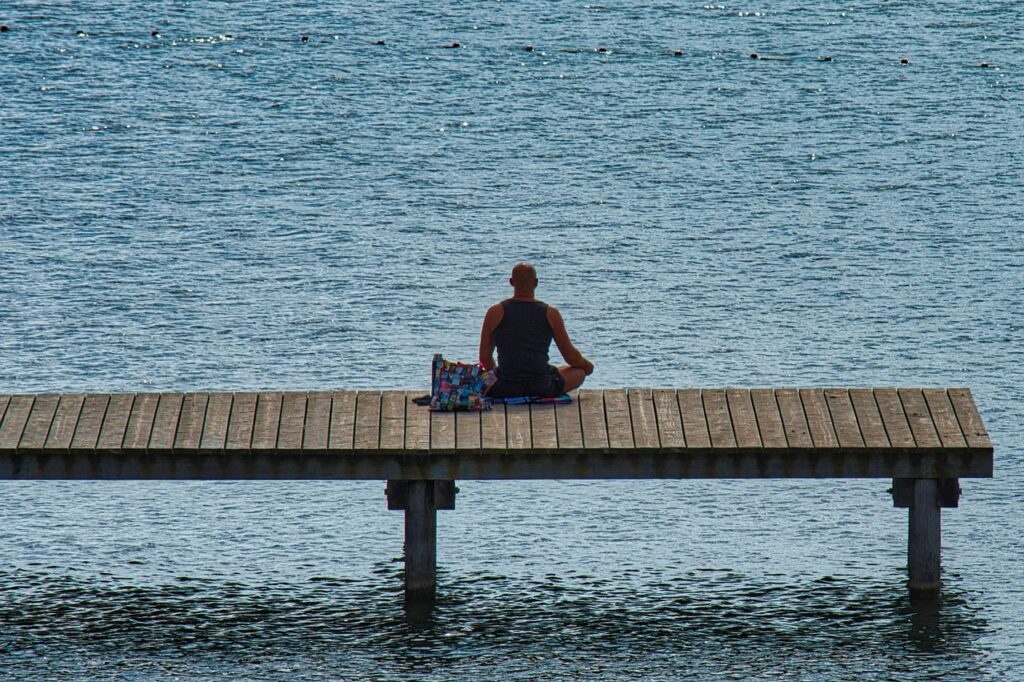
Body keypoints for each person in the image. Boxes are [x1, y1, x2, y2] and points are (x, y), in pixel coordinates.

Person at [479, 263, 594, 398]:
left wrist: (498, 377)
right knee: (578, 372)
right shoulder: (550, 313)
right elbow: (570, 356)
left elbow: (485, 359)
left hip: (504, 387)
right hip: (541, 386)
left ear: (511, 282)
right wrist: (588, 367)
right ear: (536, 283)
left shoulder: (495, 312)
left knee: (479, 378)